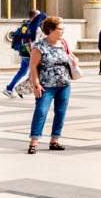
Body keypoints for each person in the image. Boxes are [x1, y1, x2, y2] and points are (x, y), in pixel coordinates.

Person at [25, 16, 77, 153]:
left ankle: (55, 140)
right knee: (41, 111)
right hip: (46, 85)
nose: (63, 31)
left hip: (64, 84)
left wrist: (74, 61)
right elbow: (33, 66)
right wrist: (36, 84)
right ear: (51, 29)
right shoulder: (40, 46)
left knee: (60, 112)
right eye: (61, 28)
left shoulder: (63, 43)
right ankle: (34, 142)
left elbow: (71, 56)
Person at [4, 10, 45, 97]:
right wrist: (33, 54)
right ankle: (20, 89)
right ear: (35, 16)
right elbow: (28, 42)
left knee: (22, 72)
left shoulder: (25, 25)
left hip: (24, 53)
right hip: (29, 54)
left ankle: (9, 88)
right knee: (36, 74)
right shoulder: (31, 27)